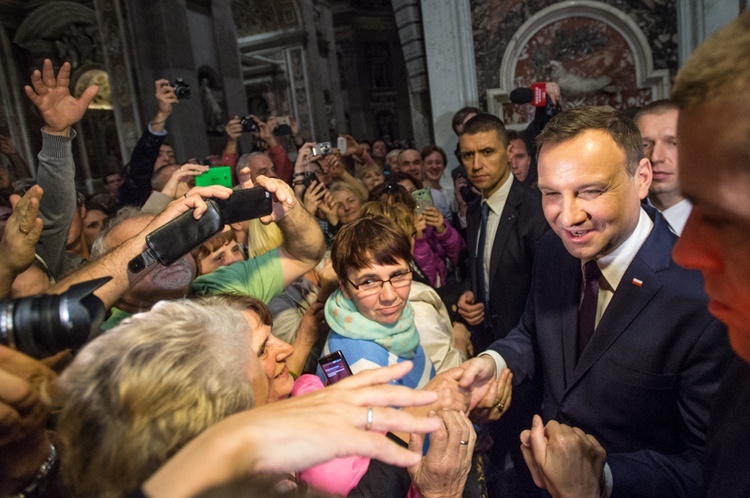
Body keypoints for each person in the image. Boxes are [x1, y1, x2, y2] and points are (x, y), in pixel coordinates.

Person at [459, 106, 729, 497]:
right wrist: (494, 363)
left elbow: (710, 466)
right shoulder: (554, 251)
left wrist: (601, 478)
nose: (567, 217)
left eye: (590, 191)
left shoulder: (703, 300)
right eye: (552, 194)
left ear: (641, 178)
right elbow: (534, 332)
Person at [321, 215, 435, 389]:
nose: (389, 296)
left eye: (397, 275)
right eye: (368, 282)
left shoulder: (388, 325)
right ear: (345, 288)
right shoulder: (363, 368)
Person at [634, 99, 691, 235]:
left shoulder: (733, 223)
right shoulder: (616, 223)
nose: (656, 158)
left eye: (672, 143)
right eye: (645, 145)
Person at [118, 79, 178, 208]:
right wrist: (162, 114)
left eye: (171, 155)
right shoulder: (139, 187)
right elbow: (145, 153)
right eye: (159, 155)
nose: (167, 159)